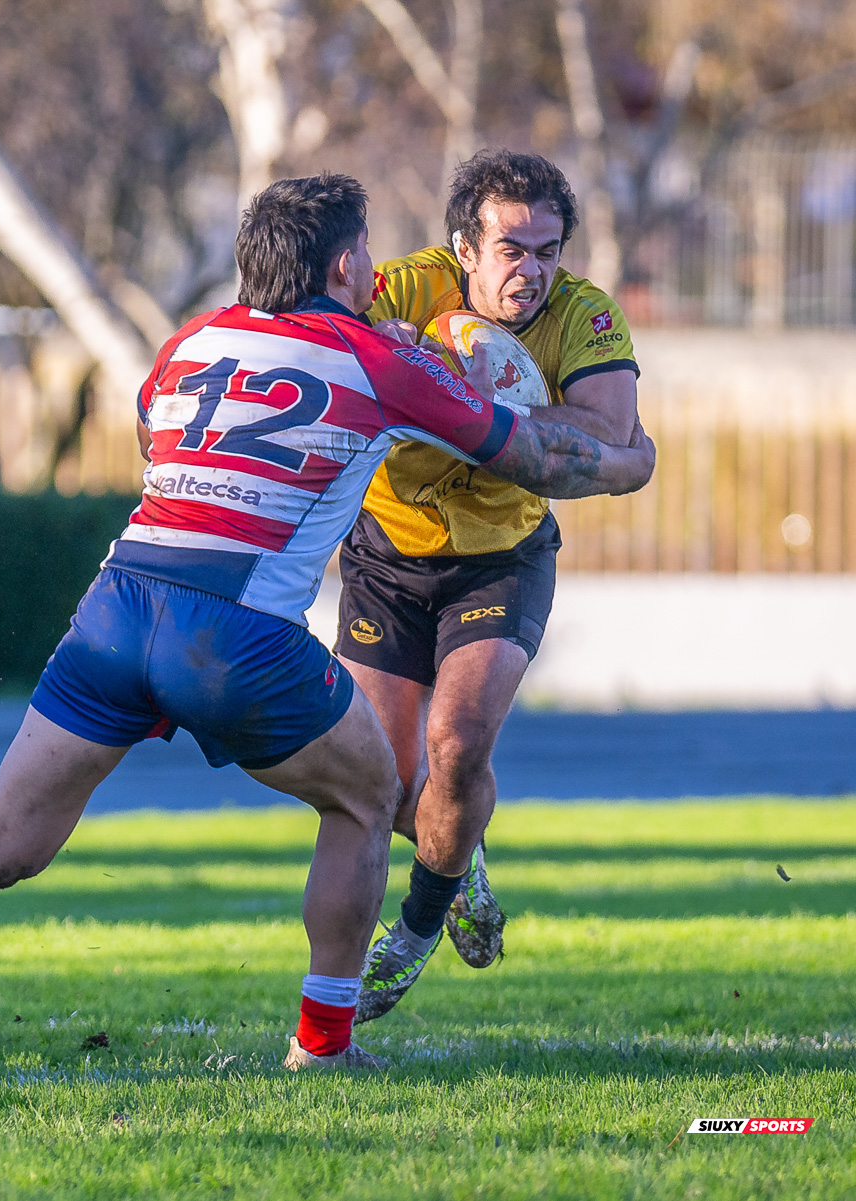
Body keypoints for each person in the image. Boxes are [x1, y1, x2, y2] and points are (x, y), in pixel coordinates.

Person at [0, 173, 654, 1075]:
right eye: (361, 255)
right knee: (369, 797)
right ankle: (322, 1043)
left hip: (115, 609)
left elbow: (159, 438)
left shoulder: (188, 343)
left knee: (1, 839)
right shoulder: (380, 361)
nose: (374, 270)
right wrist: (628, 459)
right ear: (338, 269)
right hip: (235, 633)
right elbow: (530, 454)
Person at [340, 151, 644, 1023]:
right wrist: (399, 358)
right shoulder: (404, 288)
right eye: (512, 248)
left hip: (502, 558)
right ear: (464, 247)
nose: (533, 269)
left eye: (548, 250)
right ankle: (461, 853)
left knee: (460, 742)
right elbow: (327, 342)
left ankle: (415, 928)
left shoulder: (584, 317)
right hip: (388, 556)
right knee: (379, 779)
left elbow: (613, 428)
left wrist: (472, 408)